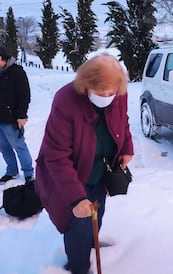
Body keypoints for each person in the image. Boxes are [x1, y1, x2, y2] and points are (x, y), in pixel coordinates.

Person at [35, 53, 134, 274]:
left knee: (97, 213)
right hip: (71, 174)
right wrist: (76, 198)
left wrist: (127, 148)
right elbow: (56, 155)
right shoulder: (65, 100)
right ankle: (78, 266)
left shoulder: (119, 93)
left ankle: (92, 240)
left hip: (100, 170)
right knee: (78, 223)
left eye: (111, 92)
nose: (108, 96)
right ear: (85, 86)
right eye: (100, 93)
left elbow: (123, 120)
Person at [0, 46, 34, 184]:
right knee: (4, 148)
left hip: (12, 118)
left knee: (19, 146)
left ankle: (29, 173)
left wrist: (22, 115)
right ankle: (12, 171)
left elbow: (24, 95)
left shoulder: (17, 72)